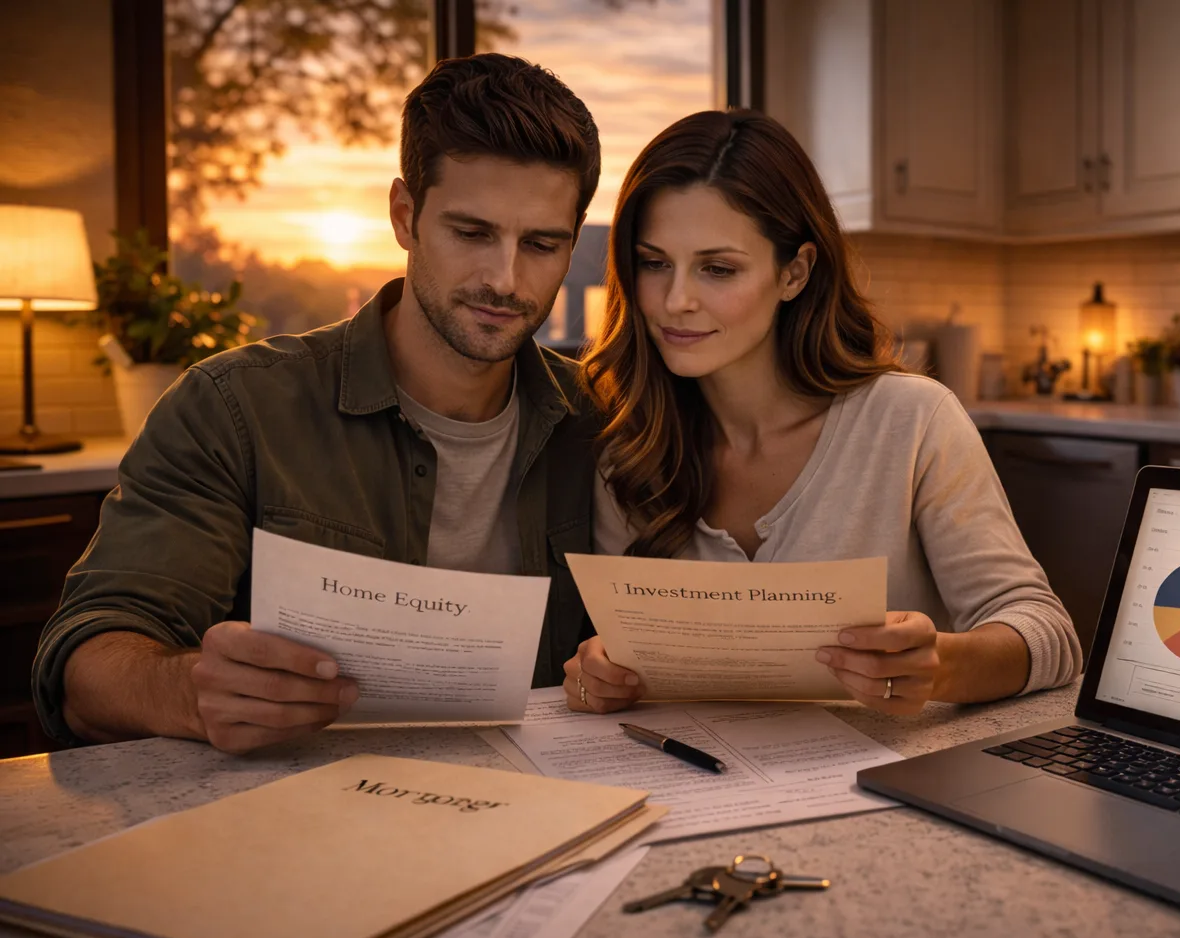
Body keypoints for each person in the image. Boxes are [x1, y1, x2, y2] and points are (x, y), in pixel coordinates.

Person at [34, 54, 602, 753]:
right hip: (294, 815)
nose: (505, 279)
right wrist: (186, 689)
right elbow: (84, 666)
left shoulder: (605, 423)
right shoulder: (234, 409)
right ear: (405, 215)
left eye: (542, 245)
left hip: (545, 813)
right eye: (472, 233)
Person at [564, 109, 1082, 718]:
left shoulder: (911, 421)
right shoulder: (628, 447)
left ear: (795, 272)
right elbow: (617, 664)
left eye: (718, 268)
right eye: (654, 263)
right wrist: (596, 676)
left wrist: (938, 666)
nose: (676, 300)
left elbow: (1049, 634)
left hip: (893, 786)